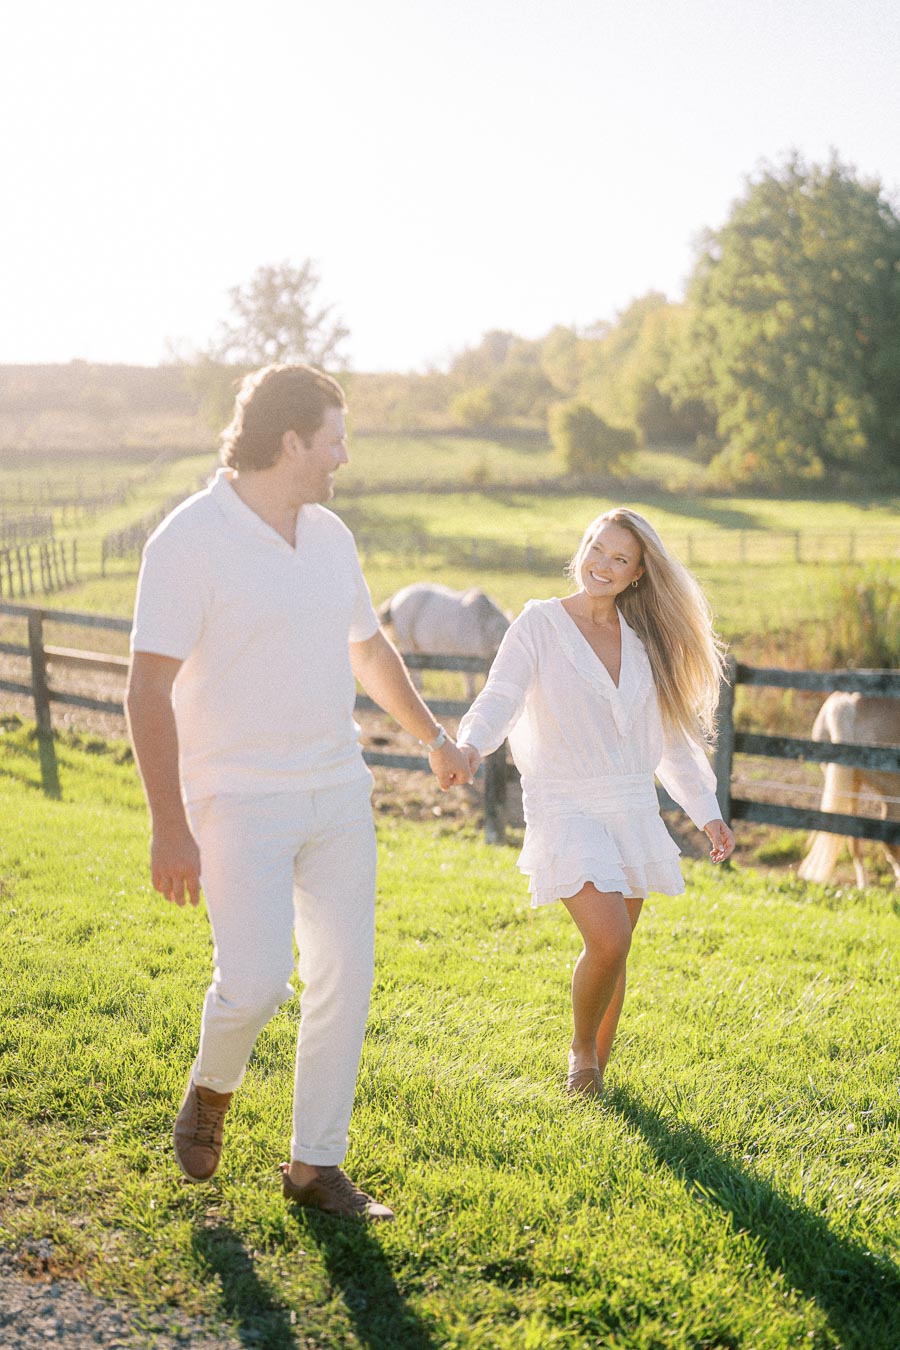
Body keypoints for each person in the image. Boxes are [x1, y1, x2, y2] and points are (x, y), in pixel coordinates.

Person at [126, 363, 471, 1221]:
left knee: (343, 979)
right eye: (335, 439)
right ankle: (212, 1089)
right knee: (253, 983)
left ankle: (316, 1167)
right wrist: (169, 827)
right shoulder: (188, 539)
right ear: (290, 442)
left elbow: (370, 650)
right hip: (235, 800)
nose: (343, 457)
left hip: (336, 792)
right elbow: (145, 690)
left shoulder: (331, 537)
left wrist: (432, 737)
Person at [455, 508, 734, 1097]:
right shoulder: (538, 624)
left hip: (631, 805)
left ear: (637, 575)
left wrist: (706, 811)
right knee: (609, 938)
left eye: (619, 559)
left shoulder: (643, 644)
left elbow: (672, 740)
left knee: (616, 952)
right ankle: (581, 1055)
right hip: (563, 801)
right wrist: (470, 745)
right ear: (581, 548)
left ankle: (596, 1080)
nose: (601, 565)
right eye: (595, 548)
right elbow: (501, 694)